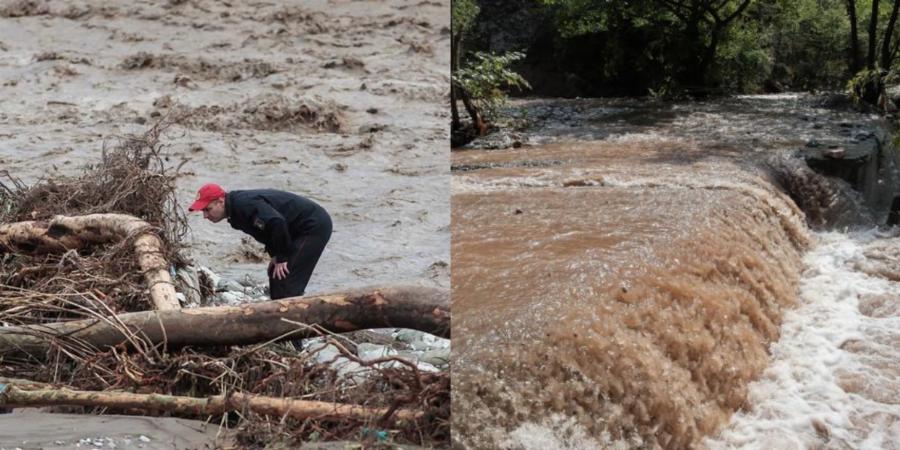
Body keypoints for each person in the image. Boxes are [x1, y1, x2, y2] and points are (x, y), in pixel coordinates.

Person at [189, 183, 332, 299]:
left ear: (220, 201)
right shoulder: (234, 211)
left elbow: (277, 222)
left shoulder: (244, 205)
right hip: (293, 230)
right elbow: (267, 231)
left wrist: (281, 257)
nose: (205, 216)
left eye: (208, 209)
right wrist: (275, 255)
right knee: (275, 273)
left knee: (286, 279)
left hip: (313, 226)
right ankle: (278, 316)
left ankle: (293, 325)